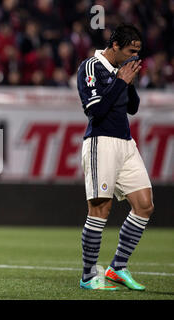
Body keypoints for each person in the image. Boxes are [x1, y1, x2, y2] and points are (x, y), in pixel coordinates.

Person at [76, 24, 154, 291]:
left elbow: (132, 108)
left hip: (125, 142)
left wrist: (128, 82)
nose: (135, 57)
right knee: (100, 209)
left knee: (144, 205)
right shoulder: (91, 67)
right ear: (116, 46)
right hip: (101, 141)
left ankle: (117, 267)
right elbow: (94, 110)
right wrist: (120, 80)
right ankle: (88, 275)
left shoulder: (123, 70)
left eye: (138, 52)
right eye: (131, 51)